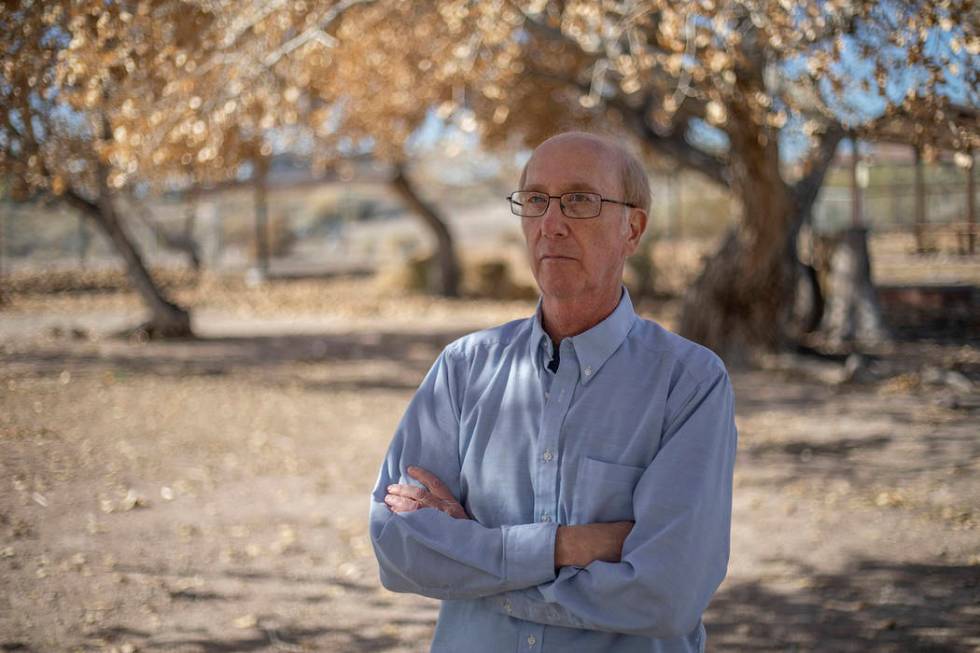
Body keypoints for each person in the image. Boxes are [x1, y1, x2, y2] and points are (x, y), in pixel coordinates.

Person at [369, 131, 737, 652]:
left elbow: (665, 595)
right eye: (536, 200)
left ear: (633, 228)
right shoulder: (463, 369)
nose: (551, 224)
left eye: (580, 200)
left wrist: (478, 562)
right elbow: (397, 546)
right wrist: (571, 545)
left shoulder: (690, 384)